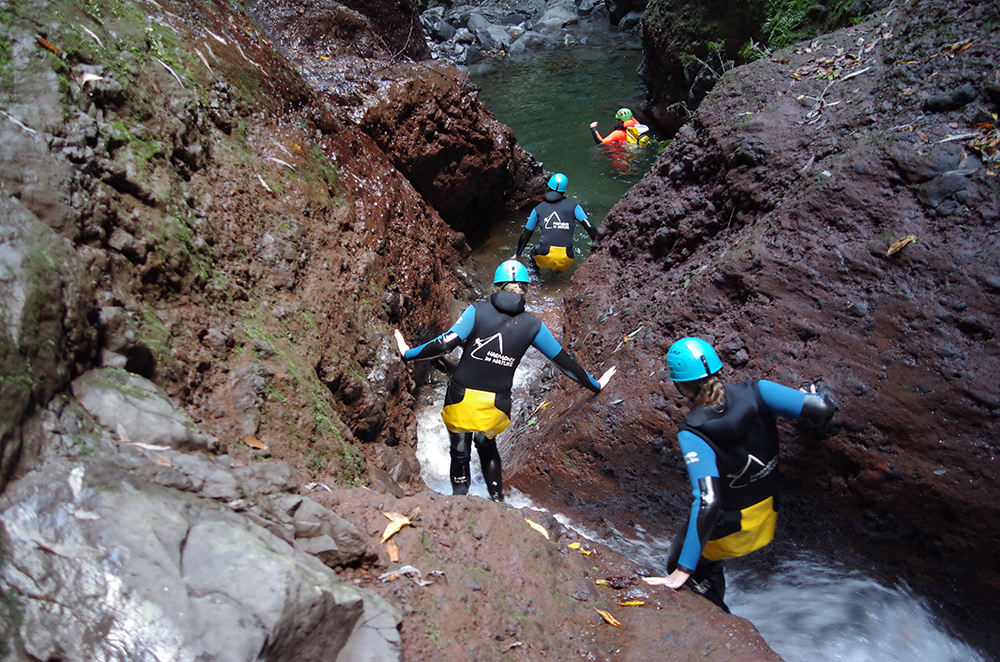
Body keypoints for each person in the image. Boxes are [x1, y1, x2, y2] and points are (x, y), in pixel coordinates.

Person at [393, 260, 616, 502]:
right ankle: (497, 500)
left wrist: (408, 352)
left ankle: (458, 501)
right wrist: (595, 384)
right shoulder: (534, 326)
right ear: (526, 290)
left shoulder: (476, 311)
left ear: (497, 286)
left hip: (460, 401)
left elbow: (446, 343)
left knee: (459, 452)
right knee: (487, 445)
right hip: (496, 407)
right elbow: (565, 363)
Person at [642, 337, 837, 612]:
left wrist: (682, 571)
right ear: (719, 368)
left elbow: (709, 500)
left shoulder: (694, 433)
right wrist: (810, 393)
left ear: (679, 386)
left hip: (732, 534)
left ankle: (720, 617)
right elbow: (822, 409)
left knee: (683, 565)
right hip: (767, 516)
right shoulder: (759, 392)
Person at [513, 173, 597, 272]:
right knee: (567, 251)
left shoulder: (538, 209)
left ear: (548, 188)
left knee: (533, 253)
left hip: (544, 256)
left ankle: (535, 278)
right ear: (565, 191)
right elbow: (589, 227)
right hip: (567, 259)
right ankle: (556, 275)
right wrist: (599, 247)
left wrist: (517, 254)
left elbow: (526, 234)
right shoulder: (575, 207)